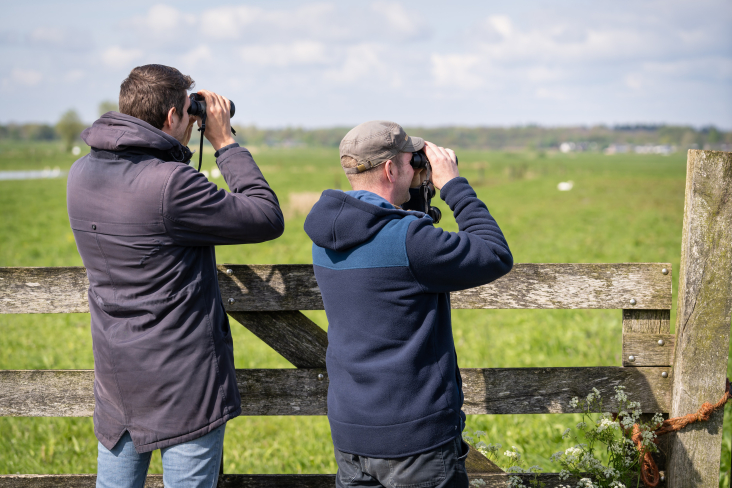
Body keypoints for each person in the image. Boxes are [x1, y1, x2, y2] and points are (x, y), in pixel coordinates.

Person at [66, 64, 284, 488]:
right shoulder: (170, 183)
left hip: (116, 380)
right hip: (184, 384)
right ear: (171, 117)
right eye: (189, 110)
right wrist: (225, 142)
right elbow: (265, 217)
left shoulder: (80, 175)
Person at [304, 121, 513, 488]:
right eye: (410, 161)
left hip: (352, 433)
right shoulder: (411, 242)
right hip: (416, 442)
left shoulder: (325, 235)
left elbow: (393, 226)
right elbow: (494, 254)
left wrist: (413, 186)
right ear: (389, 169)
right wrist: (452, 185)